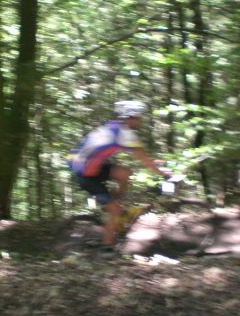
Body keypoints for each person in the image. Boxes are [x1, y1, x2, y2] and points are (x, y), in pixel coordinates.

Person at [68, 101, 170, 249]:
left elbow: (142, 157)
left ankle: (115, 205)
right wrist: (164, 173)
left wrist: (153, 164)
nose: (140, 121)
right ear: (130, 117)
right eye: (138, 118)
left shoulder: (113, 126)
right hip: (85, 173)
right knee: (114, 210)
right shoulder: (124, 134)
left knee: (125, 173)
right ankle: (107, 247)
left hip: (91, 166)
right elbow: (144, 159)